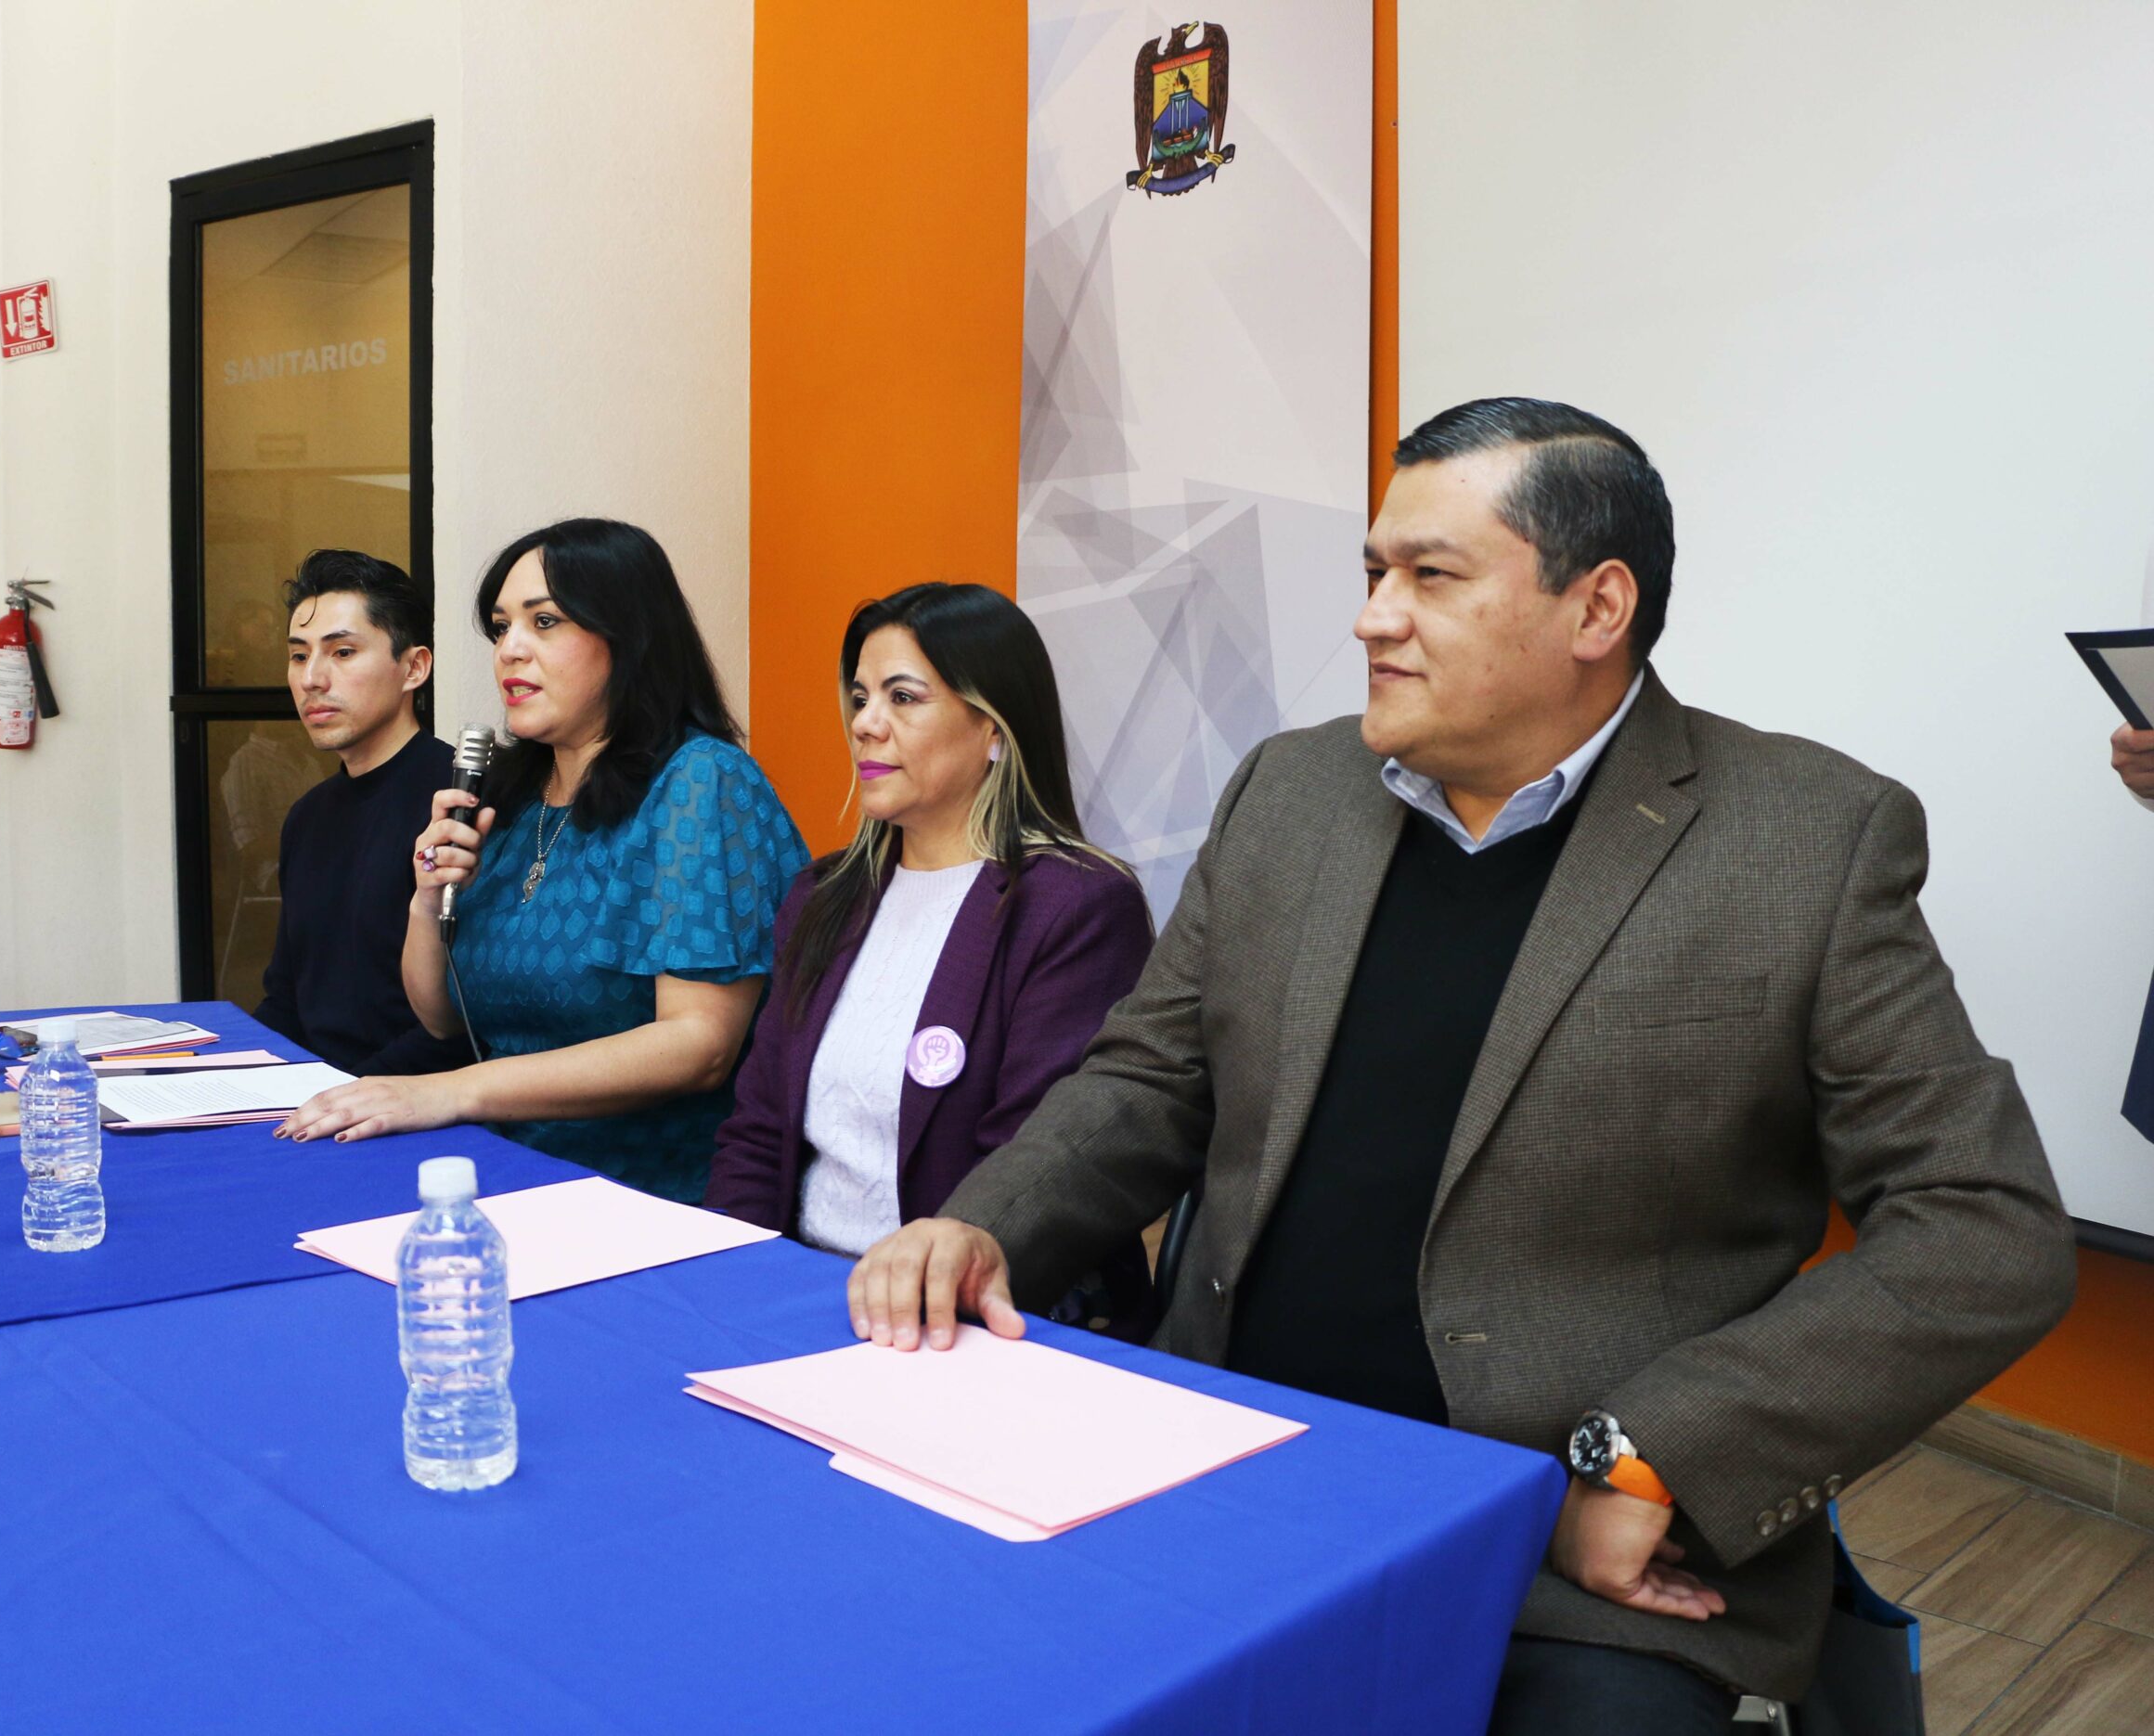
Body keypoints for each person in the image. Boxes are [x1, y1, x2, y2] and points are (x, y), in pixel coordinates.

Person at [846, 399, 2075, 1726]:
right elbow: (1150, 1076)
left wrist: (1650, 1457)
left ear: (1596, 607)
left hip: (1567, 1544)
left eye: (1430, 576)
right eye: (1374, 574)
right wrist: (983, 1222)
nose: (1375, 616)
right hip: (1224, 1460)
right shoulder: (1289, 791)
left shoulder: (1806, 840)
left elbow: (1984, 1227)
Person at [277, 518, 810, 1205]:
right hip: (505, 1172)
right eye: (501, 628)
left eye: (546, 621)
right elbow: (443, 1017)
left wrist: (447, 1092)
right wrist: (425, 898)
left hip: (651, 1192)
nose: (510, 650)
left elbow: (697, 1044)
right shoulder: (514, 794)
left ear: (628, 636)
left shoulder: (699, 781)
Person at [706, 584, 1154, 1329]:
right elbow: (758, 1127)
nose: (866, 724)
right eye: (860, 697)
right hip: (800, 1287)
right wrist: (726, 1285)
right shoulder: (825, 894)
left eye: (903, 698)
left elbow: (1029, 1164)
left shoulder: (1074, 906)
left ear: (994, 730)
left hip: (968, 1315)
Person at [254, 550, 470, 1075]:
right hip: (314, 1104)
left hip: (411, 1105)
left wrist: (342, 1096)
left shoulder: (457, 804)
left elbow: (463, 1025)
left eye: (343, 652)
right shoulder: (307, 818)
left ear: (414, 667)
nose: (312, 680)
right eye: (299, 656)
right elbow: (285, 1000)